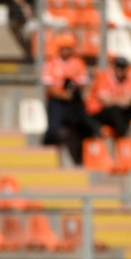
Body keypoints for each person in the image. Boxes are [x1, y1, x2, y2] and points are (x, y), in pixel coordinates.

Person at [42, 32, 94, 166]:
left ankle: (80, 160)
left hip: (73, 102)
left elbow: (82, 83)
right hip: (56, 101)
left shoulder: (78, 63)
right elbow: (50, 87)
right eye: (63, 47)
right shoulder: (51, 63)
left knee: (81, 127)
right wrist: (62, 94)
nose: (66, 50)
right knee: (53, 129)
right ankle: (45, 151)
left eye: (68, 47)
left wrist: (72, 91)